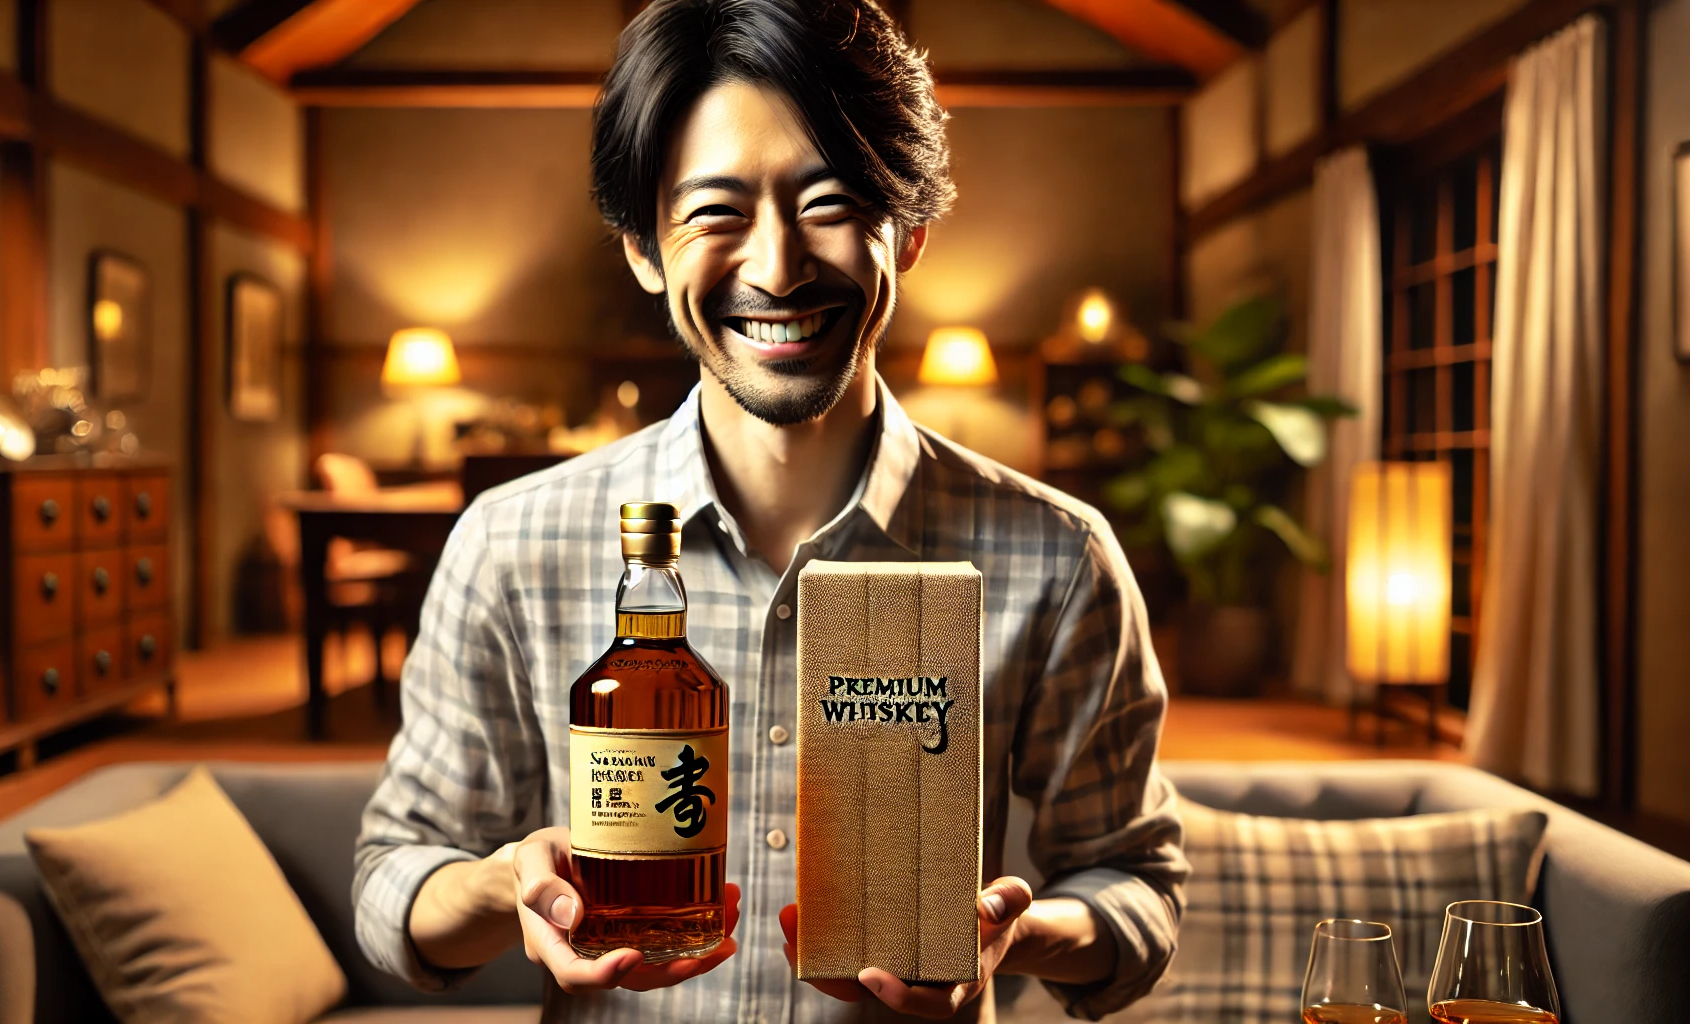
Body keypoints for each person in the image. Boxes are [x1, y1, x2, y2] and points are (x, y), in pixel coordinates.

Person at [352, 1, 1185, 1021]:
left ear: (910, 229)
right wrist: (505, 885)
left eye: (830, 201)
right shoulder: (510, 541)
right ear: (643, 249)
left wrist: (1011, 933)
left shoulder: (1058, 558)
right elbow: (394, 876)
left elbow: (1135, 886)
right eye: (715, 212)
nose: (778, 266)